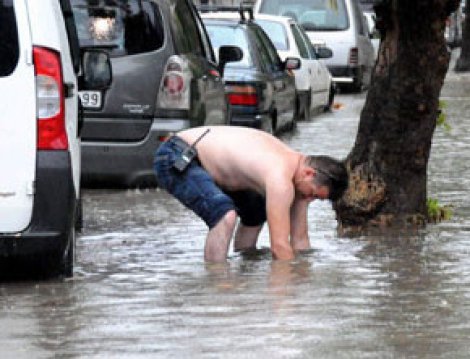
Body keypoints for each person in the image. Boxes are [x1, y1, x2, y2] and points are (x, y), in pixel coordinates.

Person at [154, 126, 348, 262]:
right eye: (313, 195)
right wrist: (288, 296)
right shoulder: (280, 178)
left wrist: (304, 274)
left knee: (256, 211)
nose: (309, 200)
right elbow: (279, 247)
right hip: (177, 155)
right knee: (225, 216)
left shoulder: (299, 176)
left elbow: (300, 241)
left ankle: (244, 263)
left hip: (204, 160)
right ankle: (217, 284)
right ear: (309, 173)